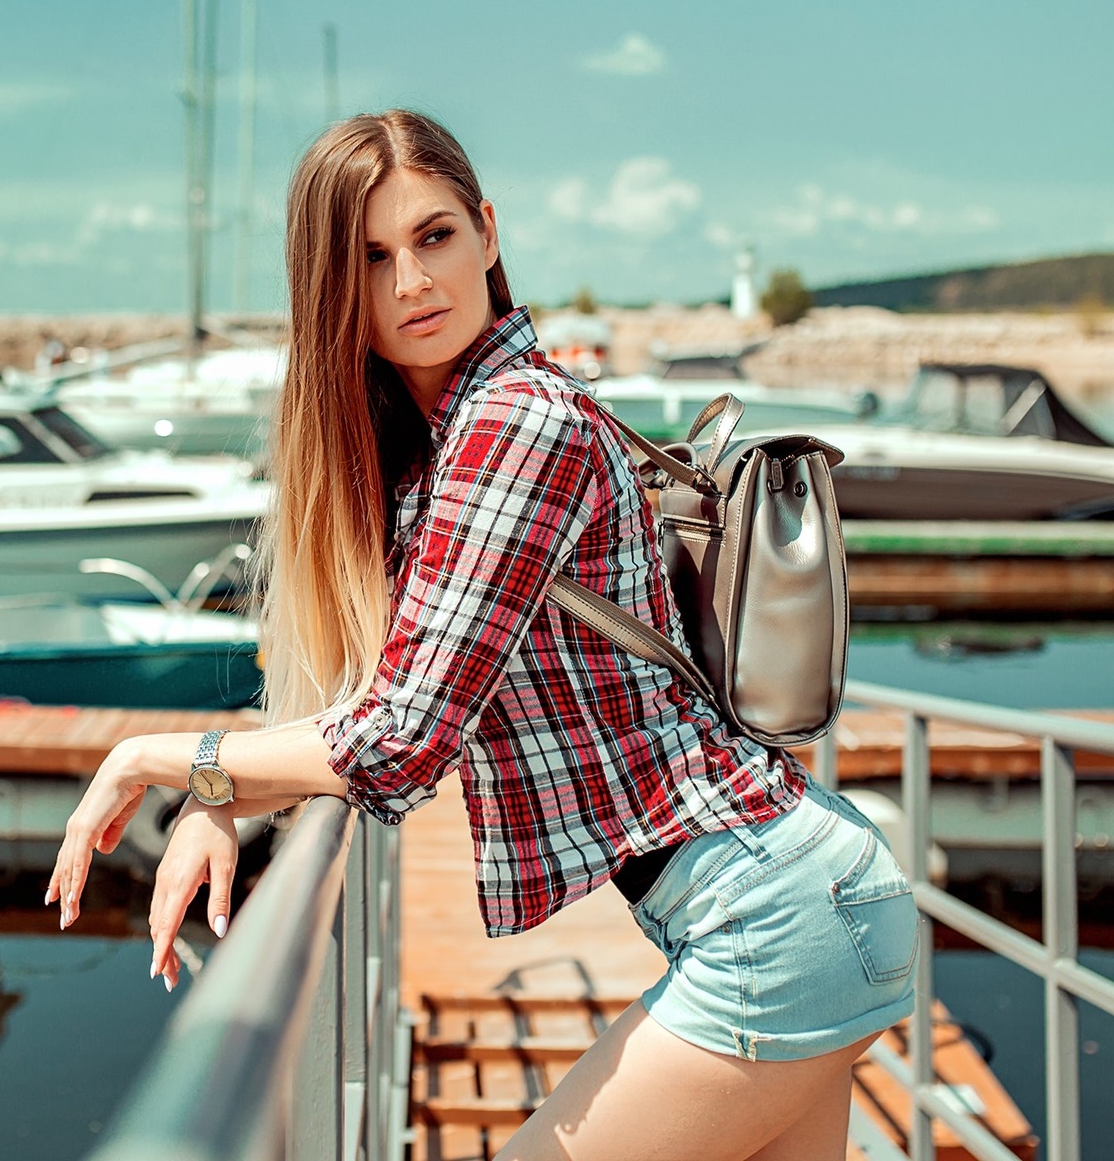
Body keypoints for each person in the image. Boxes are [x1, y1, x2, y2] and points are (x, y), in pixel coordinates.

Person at [47, 109, 917, 1161]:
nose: (412, 282)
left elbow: (405, 739)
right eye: (371, 258)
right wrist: (229, 800)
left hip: (770, 920)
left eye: (434, 237)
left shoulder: (516, 423)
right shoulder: (456, 440)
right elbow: (403, 707)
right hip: (798, 898)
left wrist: (174, 763)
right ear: (331, 289)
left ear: (488, 233)